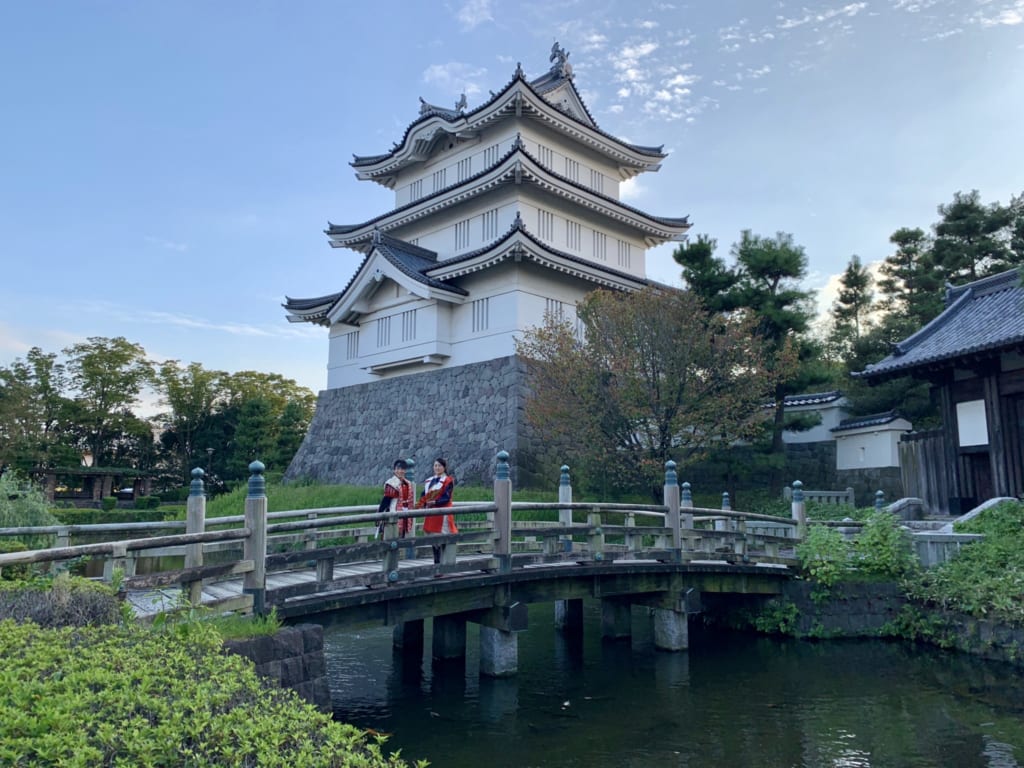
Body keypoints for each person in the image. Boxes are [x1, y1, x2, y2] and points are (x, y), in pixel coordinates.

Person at [417, 457, 458, 565]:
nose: (437, 468)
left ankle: (442, 564)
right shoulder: (429, 481)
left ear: (444, 467)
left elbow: (446, 497)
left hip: (442, 513)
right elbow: (423, 494)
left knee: (442, 537)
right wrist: (422, 503)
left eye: (439, 466)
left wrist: (434, 502)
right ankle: (437, 564)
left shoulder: (448, 481)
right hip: (431, 513)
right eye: (435, 465)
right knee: (433, 540)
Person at [379, 459, 414, 538]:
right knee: (392, 540)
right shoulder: (391, 483)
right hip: (393, 514)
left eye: (402, 469)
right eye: (398, 469)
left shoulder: (408, 483)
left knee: (402, 539)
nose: (400, 471)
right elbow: (386, 500)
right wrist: (379, 514)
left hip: (405, 515)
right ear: (394, 470)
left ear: (405, 470)